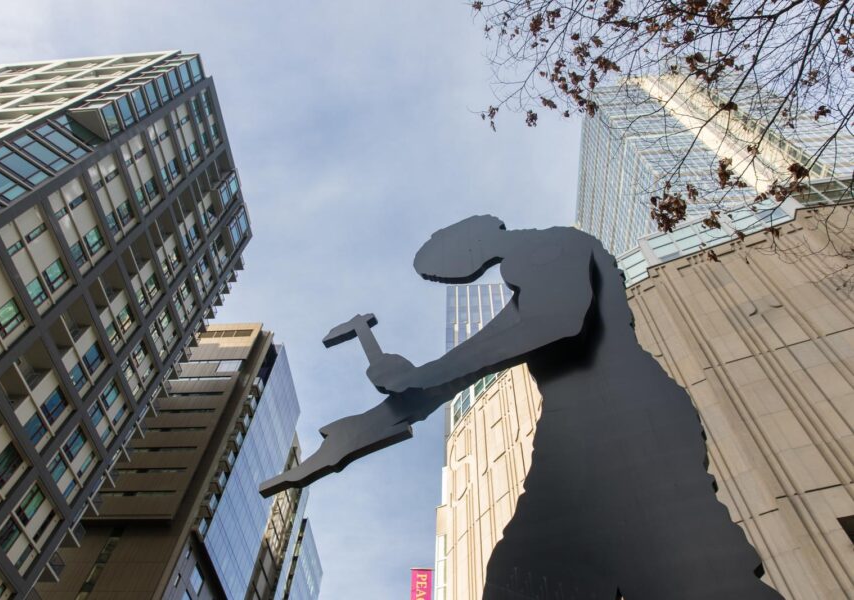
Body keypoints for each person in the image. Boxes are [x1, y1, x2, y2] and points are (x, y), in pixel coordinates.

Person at [263, 215, 783, 599]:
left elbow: (559, 322)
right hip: (576, 435)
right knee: (532, 574)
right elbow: (451, 375)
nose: (441, 276)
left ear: (472, 235)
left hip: (620, 419)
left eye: (438, 265)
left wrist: (420, 377)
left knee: (688, 575)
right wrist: (349, 438)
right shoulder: (525, 295)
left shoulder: (549, 248)